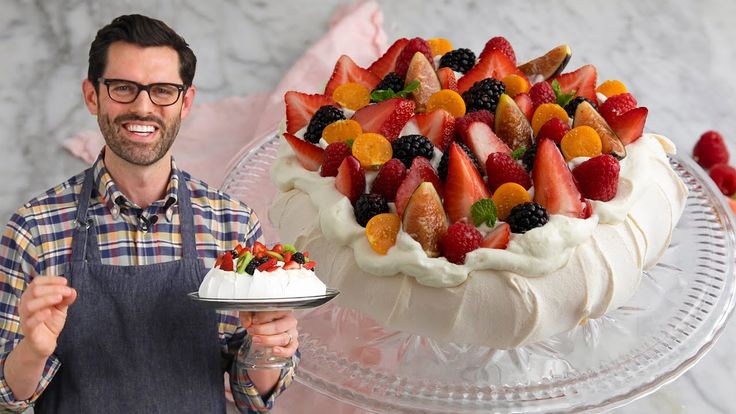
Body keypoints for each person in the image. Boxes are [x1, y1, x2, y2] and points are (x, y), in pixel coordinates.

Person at [0, 14, 299, 413]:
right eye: (123, 88)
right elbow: (7, 396)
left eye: (162, 90)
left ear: (186, 102)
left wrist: (268, 347)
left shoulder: (232, 225)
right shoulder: (34, 228)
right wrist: (34, 350)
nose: (143, 107)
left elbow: (251, 395)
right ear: (93, 96)